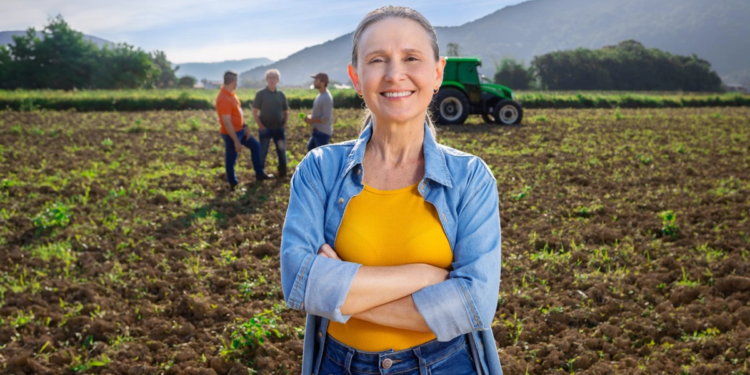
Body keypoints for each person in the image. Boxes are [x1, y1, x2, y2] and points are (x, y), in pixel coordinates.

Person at [280, 5, 503, 375]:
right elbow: (300, 284)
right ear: (356, 77)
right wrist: (424, 276)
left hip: (445, 364)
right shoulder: (319, 169)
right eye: (377, 59)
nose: (395, 74)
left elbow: (474, 305)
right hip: (338, 364)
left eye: (411, 57)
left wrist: (339, 296)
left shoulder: (470, 178)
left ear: (437, 73)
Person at [216, 70, 273, 190]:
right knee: (231, 159)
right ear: (233, 81)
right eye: (236, 80)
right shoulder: (224, 98)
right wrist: (236, 140)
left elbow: (239, 112)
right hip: (231, 134)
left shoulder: (232, 94)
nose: (237, 83)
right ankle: (233, 184)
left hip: (240, 130)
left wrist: (245, 126)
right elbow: (227, 122)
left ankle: (259, 174)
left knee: (255, 146)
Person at [252, 69, 289, 178]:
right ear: (266, 80)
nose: (271, 80)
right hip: (265, 129)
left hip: (279, 129)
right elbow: (254, 112)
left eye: (274, 78)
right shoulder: (260, 94)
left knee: (281, 151)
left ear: (278, 80)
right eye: (269, 78)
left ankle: (283, 172)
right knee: (262, 152)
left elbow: (286, 112)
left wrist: (284, 125)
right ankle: (260, 174)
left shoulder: (281, 94)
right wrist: (261, 126)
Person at [303, 72, 334, 151]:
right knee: (311, 151)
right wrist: (310, 117)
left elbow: (326, 118)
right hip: (317, 132)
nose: (314, 82)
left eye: (316, 80)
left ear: (322, 82)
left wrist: (312, 120)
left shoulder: (326, 98)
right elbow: (320, 114)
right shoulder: (320, 95)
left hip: (322, 133)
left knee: (321, 158)